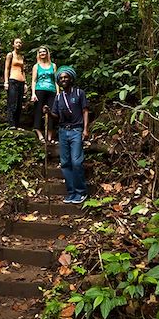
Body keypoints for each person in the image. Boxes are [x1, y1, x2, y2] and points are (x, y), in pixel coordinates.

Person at [43, 66, 89, 204]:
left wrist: (85, 129)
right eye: (61, 78)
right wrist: (48, 112)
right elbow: (56, 116)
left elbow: (85, 111)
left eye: (65, 77)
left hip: (76, 130)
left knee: (76, 162)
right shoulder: (58, 97)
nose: (63, 79)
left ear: (71, 78)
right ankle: (71, 192)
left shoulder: (79, 93)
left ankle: (81, 192)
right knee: (65, 163)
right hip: (63, 131)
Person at [31, 46, 57, 143]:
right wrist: (33, 93)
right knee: (38, 110)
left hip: (51, 90)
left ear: (47, 53)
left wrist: (58, 93)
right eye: (40, 52)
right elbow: (34, 81)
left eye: (44, 52)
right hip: (39, 89)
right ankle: (39, 133)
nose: (42, 54)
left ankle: (50, 136)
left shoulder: (53, 65)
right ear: (38, 54)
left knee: (52, 111)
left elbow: (56, 81)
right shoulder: (36, 66)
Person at [4, 38, 26, 129]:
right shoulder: (10, 55)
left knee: (19, 104)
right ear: (13, 44)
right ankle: (11, 124)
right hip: (13, 80)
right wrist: (6, 81)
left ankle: (17, 124)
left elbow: (23, 70)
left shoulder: (21, 57)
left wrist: (25, 83)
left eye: (20, 43)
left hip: (21, 81)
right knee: (12, 102)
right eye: (17, 42)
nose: (18, 44)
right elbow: (7, 68)